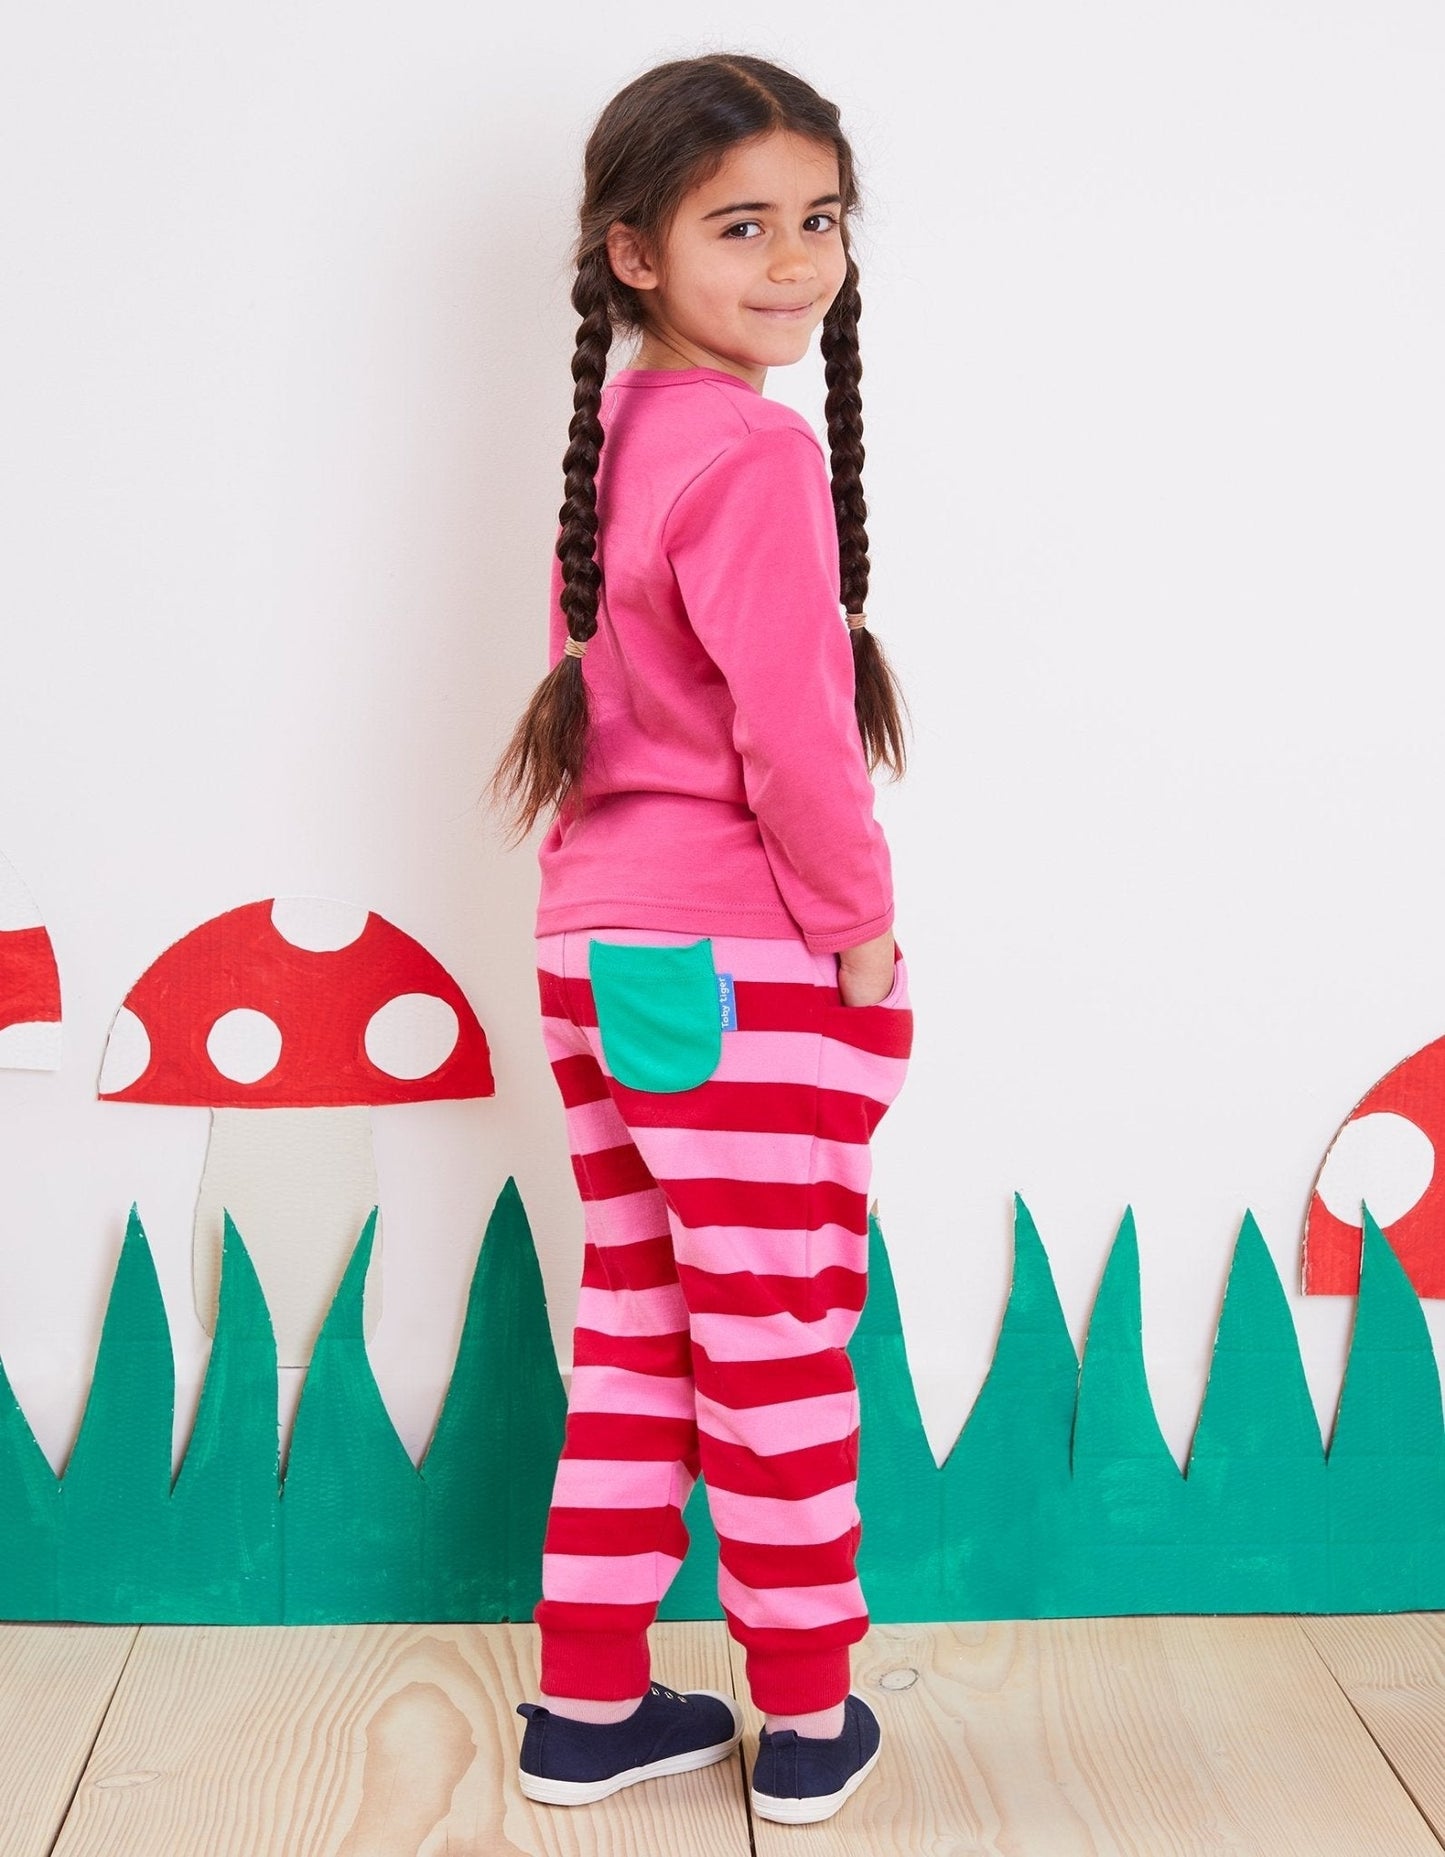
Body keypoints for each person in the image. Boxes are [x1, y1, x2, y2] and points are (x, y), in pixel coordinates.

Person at [489, 50, 913, 1827]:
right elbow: (794, 739)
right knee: (779, 1339)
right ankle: (806, 1718)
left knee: (651, 1322)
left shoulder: (626, 440)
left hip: (598, 952)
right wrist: (863, 929)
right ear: (634, 251)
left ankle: (589, 1704)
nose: (794, 261)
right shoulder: (747, 449)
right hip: (737, 961)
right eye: (742, 225)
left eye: (818, 219)